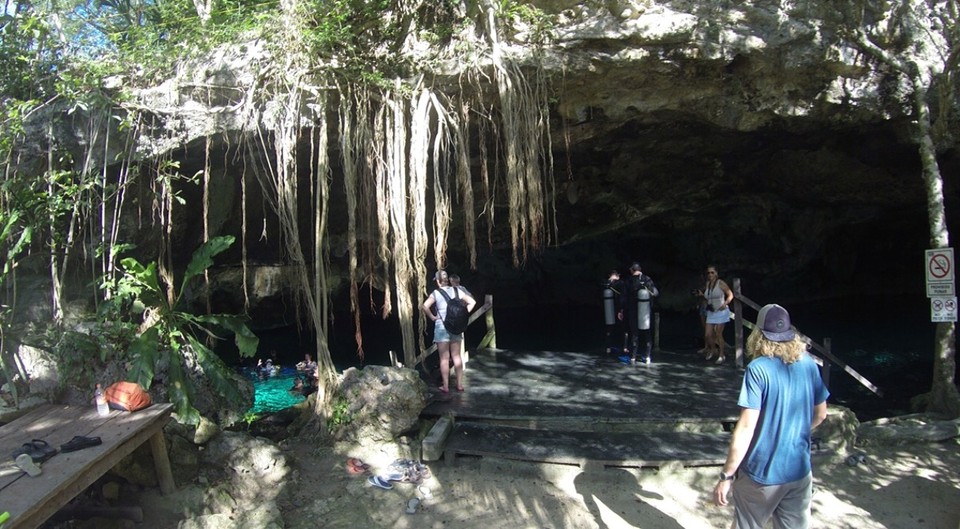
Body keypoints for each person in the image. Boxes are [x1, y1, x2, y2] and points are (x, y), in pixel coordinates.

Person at [713, 304, 829, 529]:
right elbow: (821, 414)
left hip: (761, 473)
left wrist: (726, 476)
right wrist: (794, 433)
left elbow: (746, 428)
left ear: (759, 333)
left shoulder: (758, 369)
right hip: (799, 471)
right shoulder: (808, 364)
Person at [422, 269, 477, 393]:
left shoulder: (436, 293)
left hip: (442, 327)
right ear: (447, 280)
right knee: (457, 356)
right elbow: (473, 302)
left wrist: (432, 317)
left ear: (437, 281)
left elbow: (425, 305)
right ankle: (459, 385)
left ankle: (446, 386)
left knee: (444, 359)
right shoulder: (457, 290)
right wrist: (464, 313)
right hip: (456, 327)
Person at [618, 262, 659, 365]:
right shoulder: (648, 279)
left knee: (634, 333)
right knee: (647, 333)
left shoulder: (628, 281)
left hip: (633, 311)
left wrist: (621, 310)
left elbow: (624, 297)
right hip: (646, 311)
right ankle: (648, 356)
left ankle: (633, 357)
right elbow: (654, 293)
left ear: (632, 270)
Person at [699, 265, 734, 364]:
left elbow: (730, 294)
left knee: (718, 333)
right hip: (711, 311)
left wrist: (725, 303)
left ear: (716, 273)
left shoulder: (721, 283)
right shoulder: (708, 284)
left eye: (712, 272)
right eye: (708, 273)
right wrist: (702, 295)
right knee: (708, 334)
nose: (710, 274)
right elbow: (708, 297)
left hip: (721, 311)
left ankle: (721, 355)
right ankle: (713, 349)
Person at [602, 269, 626, 354]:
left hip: (608, 309)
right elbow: (622, 298)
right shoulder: (620, 283)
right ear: (618, 275)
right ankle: (623, 347)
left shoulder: (605, 284)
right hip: (618, 309)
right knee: (622, 329)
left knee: (609, 329)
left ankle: (608, 347)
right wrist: (621, 310)